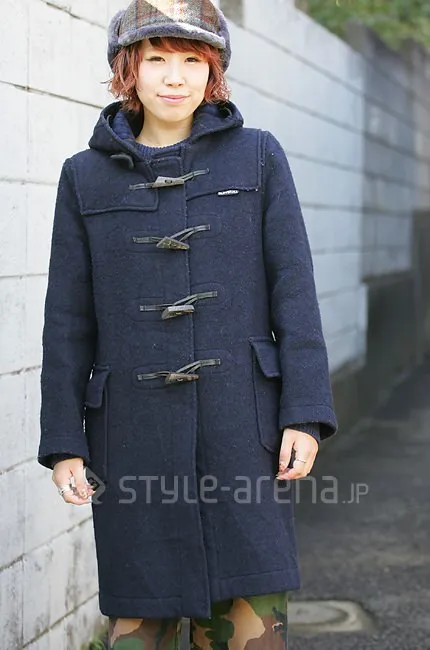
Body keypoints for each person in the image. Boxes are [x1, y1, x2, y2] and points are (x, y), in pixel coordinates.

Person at [37, 0, 338, 647]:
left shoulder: (258, 157)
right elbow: (66, 320)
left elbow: (295, 293)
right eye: (157, 59)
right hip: (130, 437)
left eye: (192, 61)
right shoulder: (84, 177)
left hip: (244, 433)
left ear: (213, 72)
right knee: (138, 625)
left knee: (249, 626)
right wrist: (63, 442)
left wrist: (305, 414)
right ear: (128, 69)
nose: (175, 77)